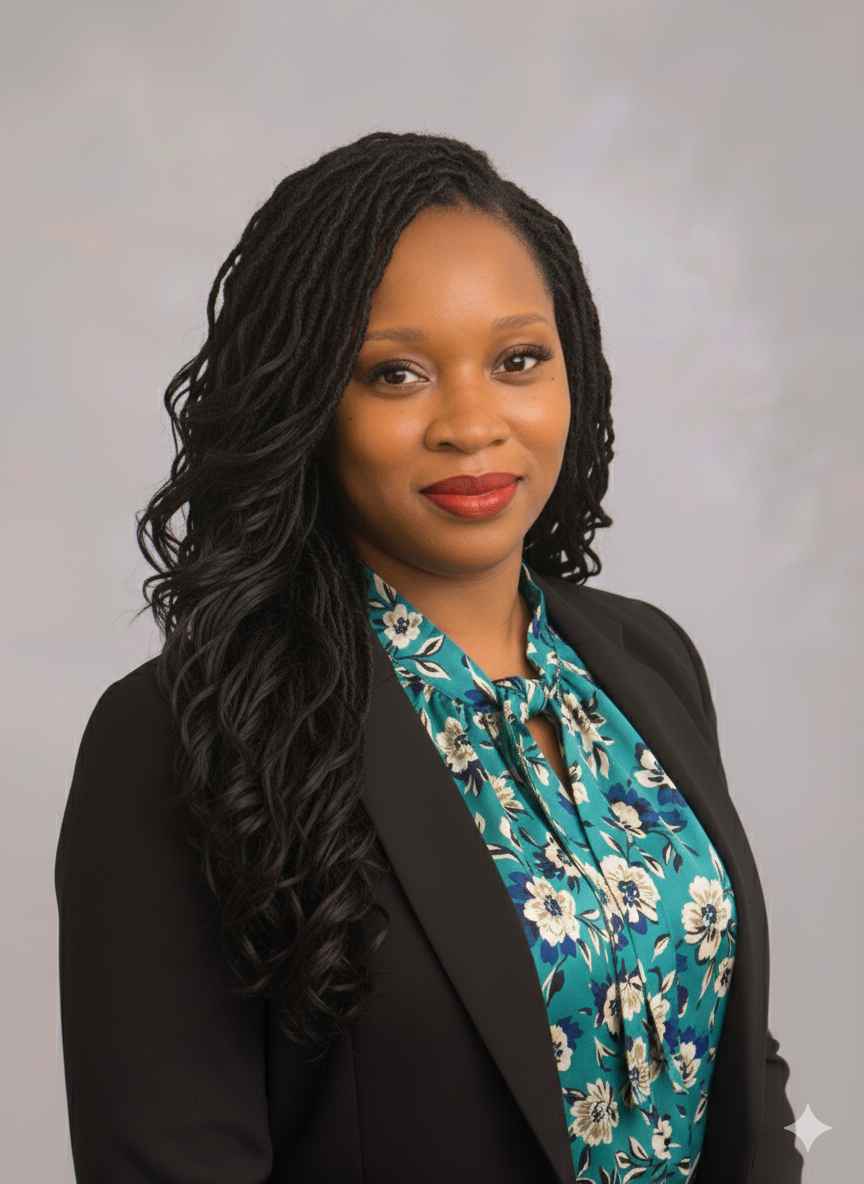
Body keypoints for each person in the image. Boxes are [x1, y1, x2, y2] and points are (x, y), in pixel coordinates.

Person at [55, 132, 803, 1184]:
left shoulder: (650, 661)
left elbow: (740, 1062)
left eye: (517, 360)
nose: (471, 423)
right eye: (396, 373)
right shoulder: (179, 732)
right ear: (309, 402)